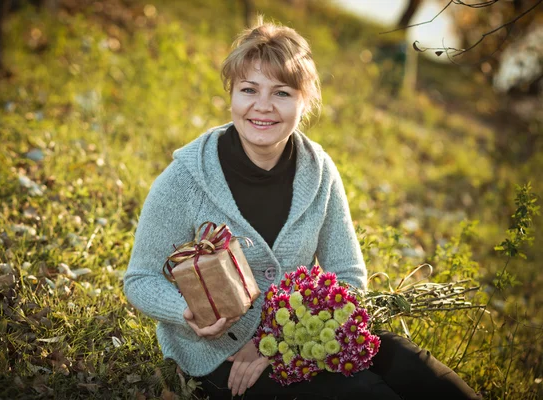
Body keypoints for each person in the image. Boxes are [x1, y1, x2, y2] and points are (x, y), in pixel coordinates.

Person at [124, 18, 481, 400]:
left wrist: (278, 344)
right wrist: (188, 314)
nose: (262, 107)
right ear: (231, 95)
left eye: (282, 93)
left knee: (415, 368)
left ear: (304, 100)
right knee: (364, 392)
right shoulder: (187, 177)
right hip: (221, 358)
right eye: (249, 90)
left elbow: (348, 277)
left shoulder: (319, 171)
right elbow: (140, 279)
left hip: (303, 338)